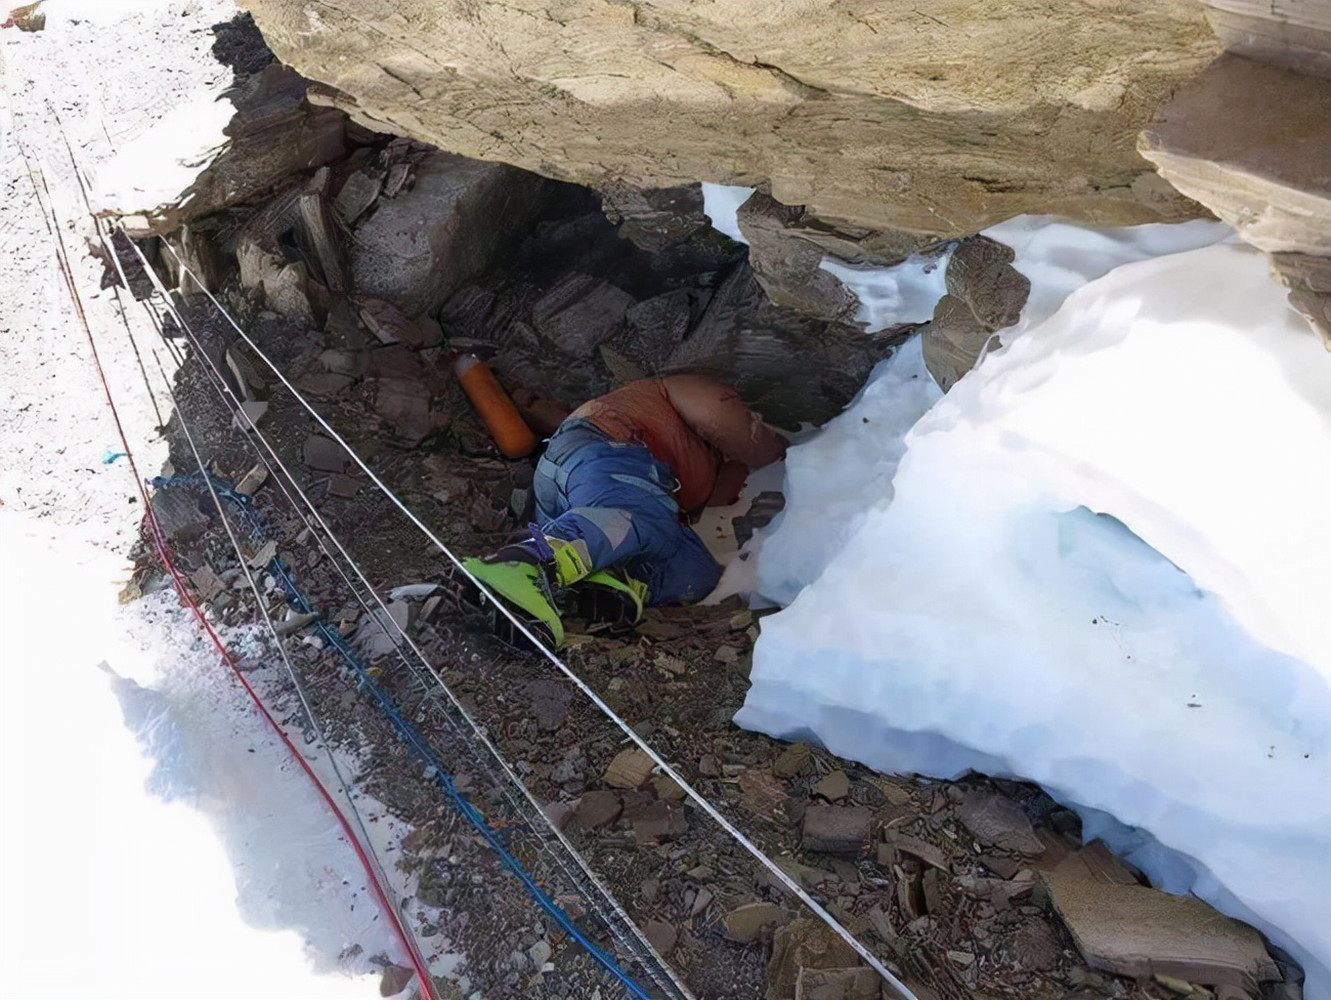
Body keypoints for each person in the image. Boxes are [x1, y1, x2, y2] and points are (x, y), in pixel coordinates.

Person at [457, 373, 786, 649]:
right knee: (637, 519)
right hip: (603, 456)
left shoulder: (702, 462)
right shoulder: (688, 388)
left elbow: (711, 507)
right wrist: (782, 450)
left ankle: (606, 580)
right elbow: (720, 419)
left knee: (695, 569)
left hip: (579, 489)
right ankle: (528, 561)